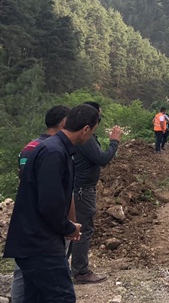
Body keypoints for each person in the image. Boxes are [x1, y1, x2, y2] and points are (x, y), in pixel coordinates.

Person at [4, 104, 100, 303]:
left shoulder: (55, 148)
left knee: (34, 298)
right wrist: (69, 228)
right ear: (85, 130)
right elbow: (49, 204)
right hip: (40, 244)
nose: (90, 137)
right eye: (92, 132)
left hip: (32, 240)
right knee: (62, 296)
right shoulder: (54, 153)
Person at [11, 105, 70, 303]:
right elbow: (54, 194)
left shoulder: (28, 148)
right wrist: (69, 224)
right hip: (45, 230)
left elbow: (25, 182)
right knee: (58, 290)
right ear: (63, 122)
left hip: (26, 224)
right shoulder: (56, 150)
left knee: (26, 277)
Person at [70, 101, 123, 285]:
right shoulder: (86, 138)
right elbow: (102, 158)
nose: (98, 122)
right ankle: (80, 272)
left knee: (74, 228)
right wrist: (114, 141)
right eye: (97, 118)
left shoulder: (80, 136)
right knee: (83, 229)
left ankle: (71, 268)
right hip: (83, 190)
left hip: (80, 188)